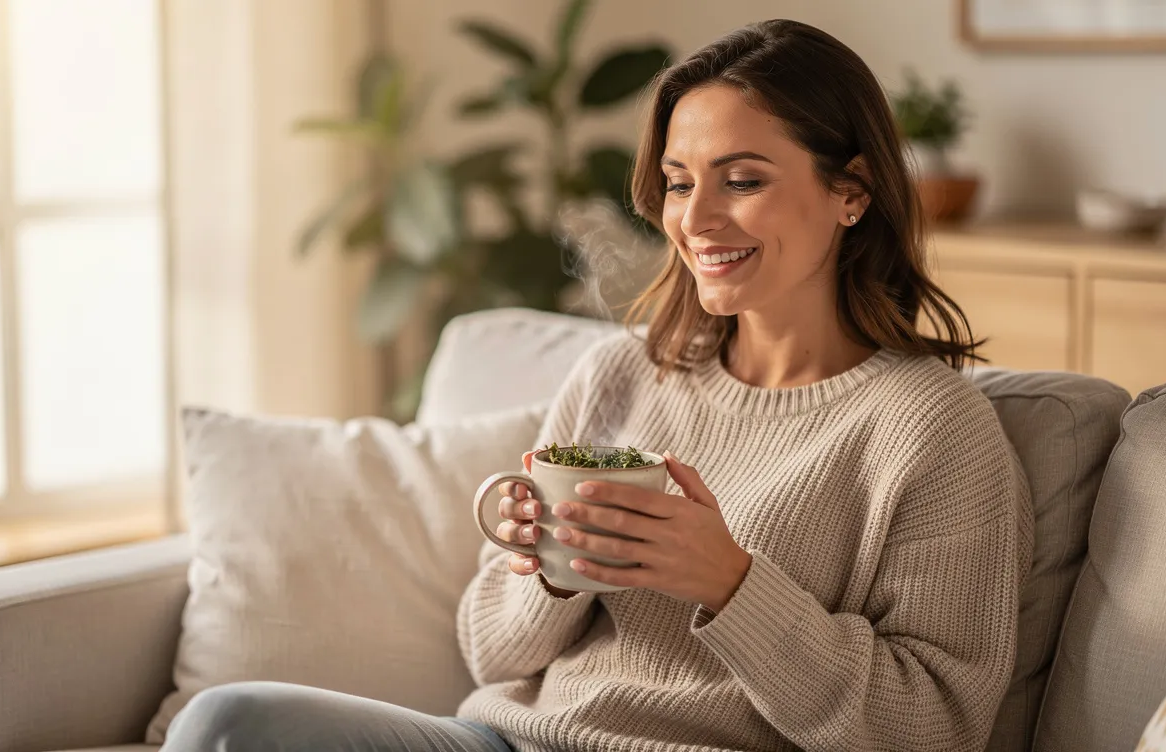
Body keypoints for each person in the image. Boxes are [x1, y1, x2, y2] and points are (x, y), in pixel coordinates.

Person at [161, 18, 1033, 752]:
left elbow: (933, 727)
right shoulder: (621, 374)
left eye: (745, 180)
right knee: (229, 722)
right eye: (681, 183)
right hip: (508, 739)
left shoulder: (931, 430)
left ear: (853, 191)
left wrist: (731, 583)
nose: (695, 220)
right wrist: (547, 569)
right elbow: (489, 654)